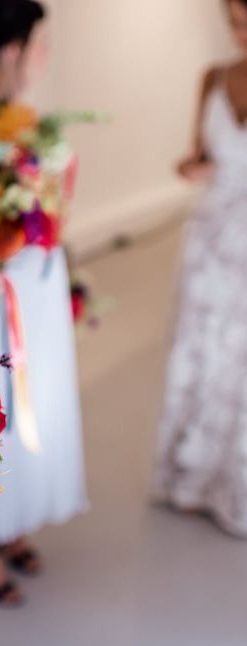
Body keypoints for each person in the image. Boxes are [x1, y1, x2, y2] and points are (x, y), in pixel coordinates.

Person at [0, 0, 88, 605]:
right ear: (13, 48)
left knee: (41, 401)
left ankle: (15, 522)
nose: (44, 57)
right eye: (40, 44)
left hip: (41, 285)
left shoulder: (26, 121)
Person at [155, 0, 247, 538]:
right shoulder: (213, 77)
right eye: (235, 23)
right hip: (210, 236)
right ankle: (191, 478)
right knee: (201, 351)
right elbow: (193, 154)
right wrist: (192, 168)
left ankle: (233, 484)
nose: (242, 34)